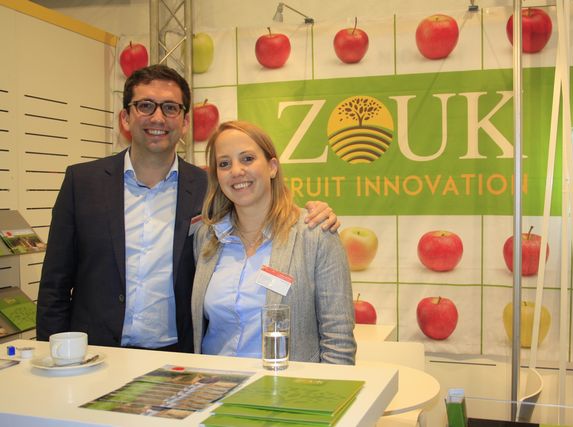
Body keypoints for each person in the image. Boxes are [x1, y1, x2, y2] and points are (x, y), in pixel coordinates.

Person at [36, 65, 338, 352]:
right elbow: (55, 285)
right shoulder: (82, 183)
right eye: (145, 106)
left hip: (178, 358)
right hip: (95, 354)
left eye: (170, 108)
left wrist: (316, 213)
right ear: (125, 118)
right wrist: (52, 353)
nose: (158, 117)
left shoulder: (210, 188)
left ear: (184, 122)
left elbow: (261, 212)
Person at [192, 121, 356, 364]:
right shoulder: (206, 237)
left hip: (287, 386)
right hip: (214, 382)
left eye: (247, 159)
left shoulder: (316, 235)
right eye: (224, 164)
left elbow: (338, 340)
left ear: (272, 167)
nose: (236, 171)